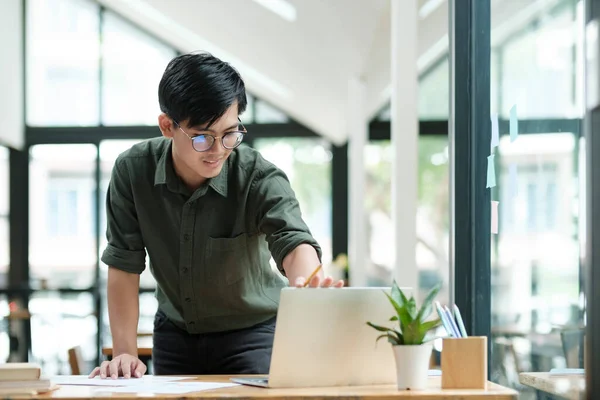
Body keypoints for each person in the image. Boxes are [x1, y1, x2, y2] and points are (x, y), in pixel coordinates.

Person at [88, 52, 344, 379]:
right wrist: (125, 353)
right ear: (168, 126)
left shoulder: (258, 176)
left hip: (253, 333)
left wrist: (308, 284)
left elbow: (292, 240)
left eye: (230, 134)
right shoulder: (133, 171)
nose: (219, 149)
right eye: (203, 137)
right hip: (174, 331)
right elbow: (124, 264)